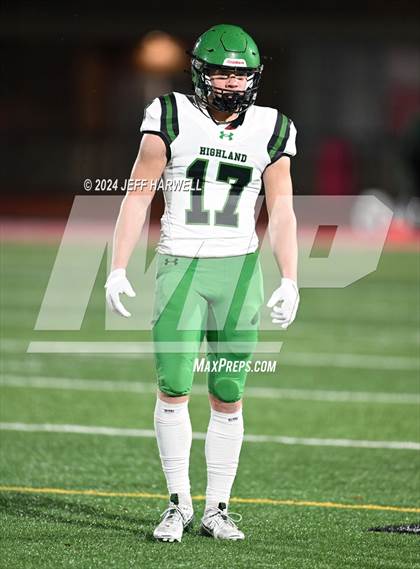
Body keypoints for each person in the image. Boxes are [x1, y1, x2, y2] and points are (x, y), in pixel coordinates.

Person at [105, 23, 299, 542]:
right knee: (173, 387)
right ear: (200, 72)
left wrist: (291, 278)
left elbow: (282, 209)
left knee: (229, 392)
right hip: (180, 268)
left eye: (241, 74)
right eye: (221, 72)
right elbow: (138, 194)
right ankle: (178, 503)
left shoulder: (272, 127)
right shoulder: (170, 114)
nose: (232, 82)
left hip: (239, 271)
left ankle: (218, 508)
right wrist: (118, 266)